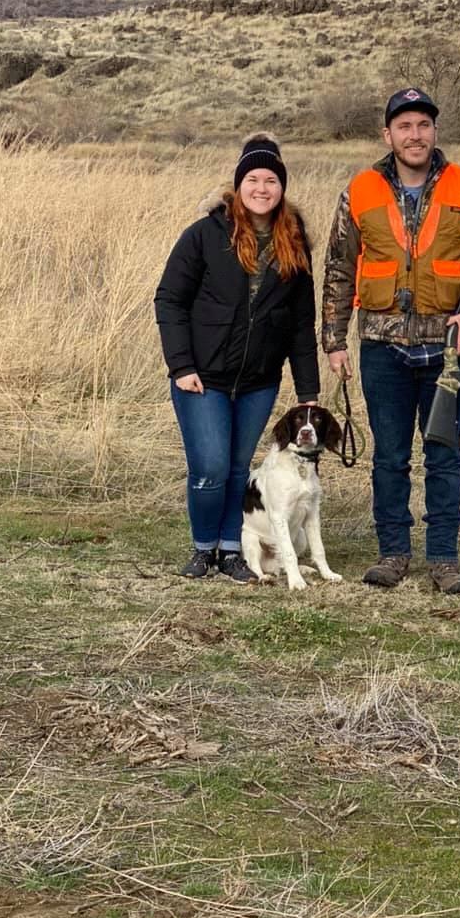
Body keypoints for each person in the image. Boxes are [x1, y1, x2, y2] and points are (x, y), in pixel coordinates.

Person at [322, 88, 460, 594]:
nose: (415, 135)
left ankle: (444, 559)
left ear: (435, 131)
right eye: (404, 126)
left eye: (423, 125)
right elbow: (340, 267)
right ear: (387, 134)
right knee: (389, 458)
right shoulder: (359, 190)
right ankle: (392, 553)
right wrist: (334, 340)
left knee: (444, 456)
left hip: (448, 350)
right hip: (382, 348)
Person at [155, 133, 319, 582]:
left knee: (237, 468)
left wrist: (308, 390)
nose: (262, 188)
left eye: (271, 180)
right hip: (201, 377)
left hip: (258, 381)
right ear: (238, 184)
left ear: (282, 187)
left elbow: (301, 323)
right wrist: (181, 365)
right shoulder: (205, 235)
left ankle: (232, 550)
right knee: (209, 467)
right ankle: (202, 548)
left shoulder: (294, 244)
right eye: (253, 179)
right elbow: (170, 299)